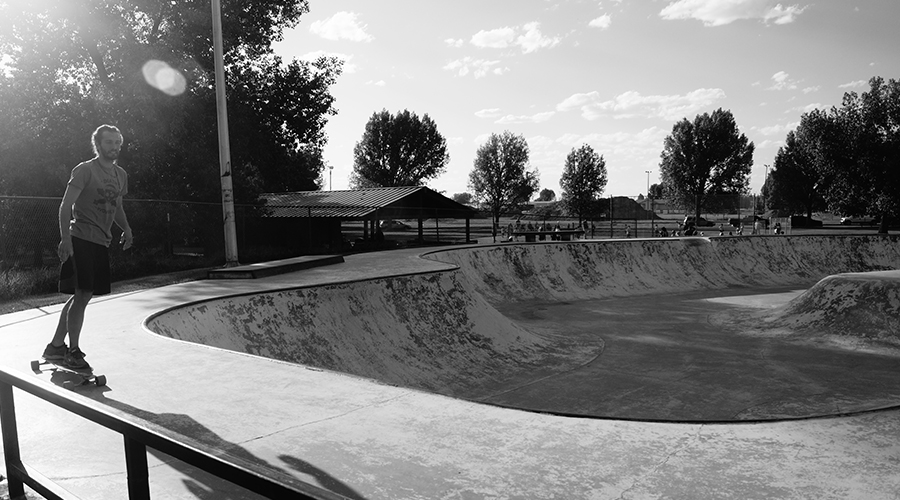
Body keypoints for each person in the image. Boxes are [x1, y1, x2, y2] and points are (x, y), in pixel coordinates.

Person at [42, 125, 134, 371]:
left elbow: (118, 207)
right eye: (109, 142)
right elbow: (65, 206)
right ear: (98, 144)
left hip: (101, 241)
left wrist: (127, 228)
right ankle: (72, 351)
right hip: (81, 237)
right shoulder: (85, 170)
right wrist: (65, 239)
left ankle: (55, 347)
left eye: (117, 143)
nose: (114, 147)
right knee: (82, 294)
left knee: (81, 295)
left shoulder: (120, 175)